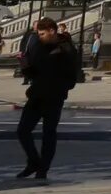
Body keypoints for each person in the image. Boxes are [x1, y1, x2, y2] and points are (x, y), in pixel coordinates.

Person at [16, 15, 83, 182]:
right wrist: (25, 67)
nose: (39, 37)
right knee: (23, 130)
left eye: (42, 33)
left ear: (52, 31)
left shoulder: (67, 49)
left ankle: (42, 169)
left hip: (54, 97)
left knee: (49, 133)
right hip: (37, 94)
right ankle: (34, 161)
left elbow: (72, 78)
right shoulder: (40, 46)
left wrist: (59, 88)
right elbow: (34, 72)